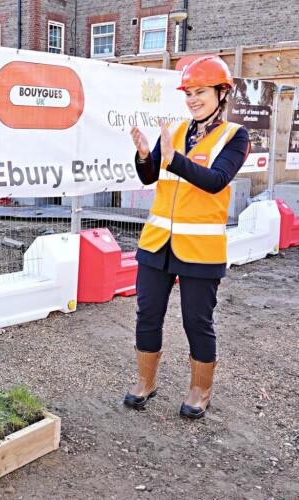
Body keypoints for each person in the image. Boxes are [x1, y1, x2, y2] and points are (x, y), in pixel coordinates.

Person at [124, 55, 250, 419]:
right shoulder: (176, 131)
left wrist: (173, 157)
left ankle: (200, 389)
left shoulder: (235, 136)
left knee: (197, 320)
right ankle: (145, 382)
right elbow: (152, 177)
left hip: (200, 248)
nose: (193, 99)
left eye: (201, 92)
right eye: (189, 93)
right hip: (157, 243)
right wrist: (145, 155)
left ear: (221, 93)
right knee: (148, 314)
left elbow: (215, 181)